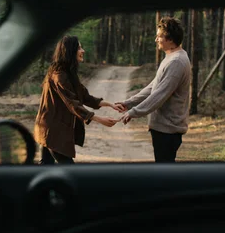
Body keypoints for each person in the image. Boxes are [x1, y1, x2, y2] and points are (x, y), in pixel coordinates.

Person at [114, 16, 191, 163]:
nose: (156, 39)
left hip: (168, 130)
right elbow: (153, 87)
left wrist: (134, 112)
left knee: (165, 176)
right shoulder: (171, 57)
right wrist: (129, 103)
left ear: (169, 39)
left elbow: (159, 95)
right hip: (162, 129)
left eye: (159, 36)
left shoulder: (177, 62)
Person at [34, 35, 119, 164]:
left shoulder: (68, 73)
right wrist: (99, 119)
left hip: (54, 129)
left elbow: (85, 97)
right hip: (52, 130)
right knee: (68, 169)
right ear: (70, 51)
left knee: (46, 167)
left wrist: (110, 105)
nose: (83, 51)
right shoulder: (59, 75)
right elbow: (72, 103)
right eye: (79, 48)